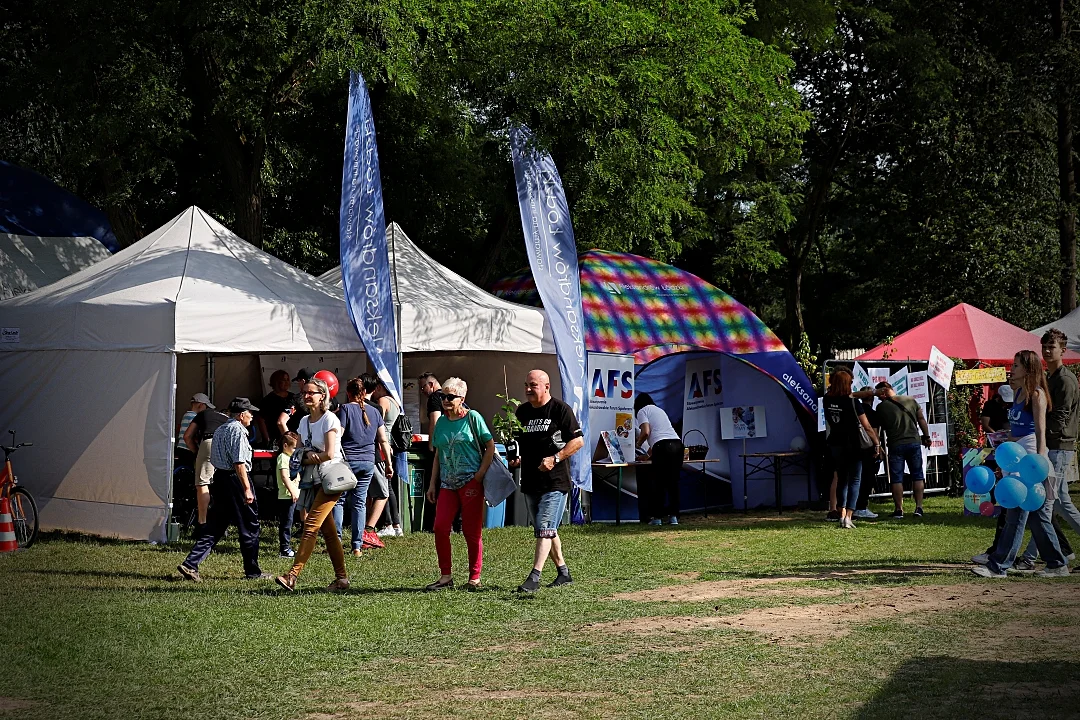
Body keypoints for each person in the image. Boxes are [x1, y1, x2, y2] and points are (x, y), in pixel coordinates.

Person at [973, 350, 1068, 578]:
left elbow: (1040, 431)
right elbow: (1019, 432)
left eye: (1016, 365)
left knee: (1024, 515)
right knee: (1032, 517)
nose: (1011, 369)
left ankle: (999, 566)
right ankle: (1057, 563)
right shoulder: (1017, 394)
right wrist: (1004, 438)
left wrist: (1040, 462)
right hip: (1017, 461)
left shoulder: (1037, 395)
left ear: (1028, 369)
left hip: (1033, 464)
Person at [511, 369, 585, 592]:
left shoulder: (560, 410)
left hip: (555, 481)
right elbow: (517, 441)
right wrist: (515, 456)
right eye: (526, 385)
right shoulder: (522, 412)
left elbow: (578, 441)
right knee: (547, 529)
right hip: (532, 480)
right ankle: (563, 573)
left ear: (546, 386)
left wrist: (556, 457)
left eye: (533, 385)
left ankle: (534, 577)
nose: (527, 390)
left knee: (544, 527)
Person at [177, 398, 267, 582]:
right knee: (249, 525)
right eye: (250, 413)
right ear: (242, 415)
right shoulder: (238, 431)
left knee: (215, 525)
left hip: (220, 479)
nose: (252, 416)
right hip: (236, 480)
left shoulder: (221, 429)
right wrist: (247, 489)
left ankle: (190, 563)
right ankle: (252, 571)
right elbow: (239, 463)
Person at [275, 377, 351, 592]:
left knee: (310, 526)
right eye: (305, 393)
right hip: (313, 480)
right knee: (328, 531)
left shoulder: (329, 420)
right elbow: (298, 452)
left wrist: (307, 456)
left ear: (323, 396)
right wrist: (307, 455)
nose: (307, 396)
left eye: (312, 392)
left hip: (330, 480)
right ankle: (342, 579)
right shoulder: (303, 421)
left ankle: (292, 575)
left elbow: (327, 454)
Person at [1013, 329, 1080, 570]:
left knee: (1053, 502)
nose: (1047, 351)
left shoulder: (1064, 379)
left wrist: (1036, 433)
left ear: (1064, 350)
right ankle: (1050, 554)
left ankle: (1035, 558)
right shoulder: (1050, 377)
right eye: (1044, 346)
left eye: (1052, 346)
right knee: (1051, 503)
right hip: (1051, 446)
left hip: (1059, 446)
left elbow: (1059, 418)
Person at [423, 377, 494, 591]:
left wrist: (479, 475)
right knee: (440, 527)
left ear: (462, 398)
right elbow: (437, 455)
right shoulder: (442, 422)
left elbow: (489, 447)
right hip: (447, 484)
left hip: (470, 482)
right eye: (442, 396)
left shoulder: (473, 418)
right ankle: (446, 576)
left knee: (471, 531)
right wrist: (432, 484)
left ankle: (475, 577)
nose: (445, 400)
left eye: (450, 396)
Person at [334, 376, 392, 557]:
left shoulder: (344, 409)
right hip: (368, 462)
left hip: (347, 462)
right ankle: (357, 546)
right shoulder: (375, 411)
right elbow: (383, 439)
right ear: (365, 392)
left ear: (348, 393)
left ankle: (335, 543)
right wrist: (388, 464)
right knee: (360, 503)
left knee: (339, 501)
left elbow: (339, 435)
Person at [823, 367, 881, 529]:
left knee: (842, 480)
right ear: (848, 384)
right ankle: (849, 516)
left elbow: (850, 395)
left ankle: (841, 514)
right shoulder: (853, 403)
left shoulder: (827, 399)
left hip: (835, 443)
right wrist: (876, 443)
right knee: (855, 480)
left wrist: (873, 392)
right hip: (854, 445)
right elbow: (867, 426)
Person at [874, 381, 932, 519]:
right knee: (917, 475)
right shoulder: (911, 400)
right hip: (914, 443)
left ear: (883, 392)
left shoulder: (881, 407)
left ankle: (899, 509)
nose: (878, 398)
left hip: (895, 445)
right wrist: (927, 436)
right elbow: (921, 419)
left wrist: (878, 445)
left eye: (878, 395)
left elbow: (877, 428)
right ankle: (919, 508)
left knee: (896, 478)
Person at [634, 393, 684, 525]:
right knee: (673, 483)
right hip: (678, 445)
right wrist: (648, 456)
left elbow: (646, 432)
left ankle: (657, 518)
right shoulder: (659, 410)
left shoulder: (641, 411)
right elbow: (660, 437)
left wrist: (638, 444)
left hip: (662, 447)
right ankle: (674, 517)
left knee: (659, 483)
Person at [182, 400, 231, 525]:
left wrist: (196, 452)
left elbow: (187, 436)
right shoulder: (228, 420)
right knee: (222, 484)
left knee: (203, 484)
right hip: (226, 445)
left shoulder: (203, 414)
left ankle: (202, 522)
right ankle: (222, 521)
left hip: (209, 441)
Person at [370, 377, 405, 538]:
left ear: (379, 387)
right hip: (389, 445)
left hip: (382, 445)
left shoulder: (383, 400)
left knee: (384, 487)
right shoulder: (395, 402)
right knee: (388, 486)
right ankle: (396, 525)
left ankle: (389, 523)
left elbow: (379, 422)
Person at [853, 388, 881, 520]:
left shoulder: (855, 410)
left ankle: (851, 507)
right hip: (868, 448)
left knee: (854, 479)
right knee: (867, 478)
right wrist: (877, 446)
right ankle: (861, 507)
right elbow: (872, 431)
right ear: (872, 398)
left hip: (854, 447)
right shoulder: (872, 413)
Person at [258, 369, 301, 448]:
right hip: (276, 439)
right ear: (276, 382)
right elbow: (261, 420)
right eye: (283, 380)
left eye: (288, 380)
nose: (287, 382)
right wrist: (267, 439)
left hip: (294, 437)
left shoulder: (293, 398)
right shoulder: (268, 400)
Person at [276, 431, 301, 558]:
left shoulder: (290, 458)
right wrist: (292, 491)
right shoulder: (283, 458)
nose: (295, 450)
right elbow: (284, 477)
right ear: (285, 446)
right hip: (286, 496)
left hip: (292, 495)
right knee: (286, 523)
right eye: (294, 447)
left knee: (289, 522)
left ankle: (286, 547)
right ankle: (284, 549)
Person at [175, 393, 211, 469]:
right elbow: (188, 436)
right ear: (201, 405)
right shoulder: (194, 417)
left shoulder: (186, 415)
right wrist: (196, 451)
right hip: (188, 449)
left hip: (181, 447)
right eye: (206, 406)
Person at [419, 372, 446, 450]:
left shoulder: (434, 398)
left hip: (441, 443)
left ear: (431, 384)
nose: (422, 391)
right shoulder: (447, 396)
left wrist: (431, 445)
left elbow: (435, 422)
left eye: (423, 387)